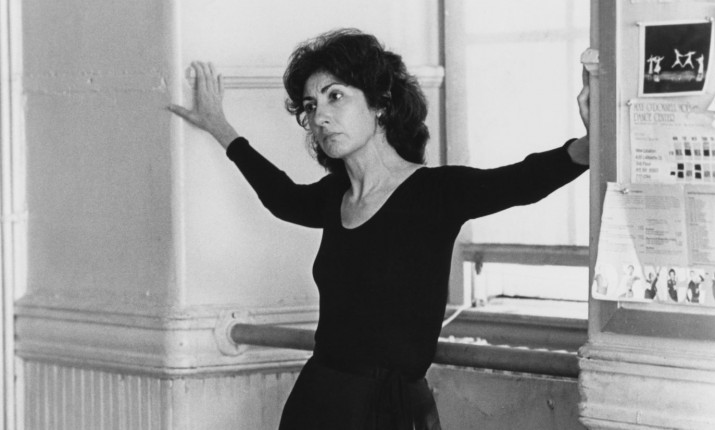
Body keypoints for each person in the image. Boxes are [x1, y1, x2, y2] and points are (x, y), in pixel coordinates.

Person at [168, 28, 589, 430]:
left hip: (392, 411)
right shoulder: (333, 197)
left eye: (336, 96)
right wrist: (220, 126)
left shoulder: (435, 193)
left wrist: (587, 147)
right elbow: (281, 196)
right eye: (311, 106)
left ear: (380, 103)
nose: (320, 117)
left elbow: (520, 181)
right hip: (317, 401)